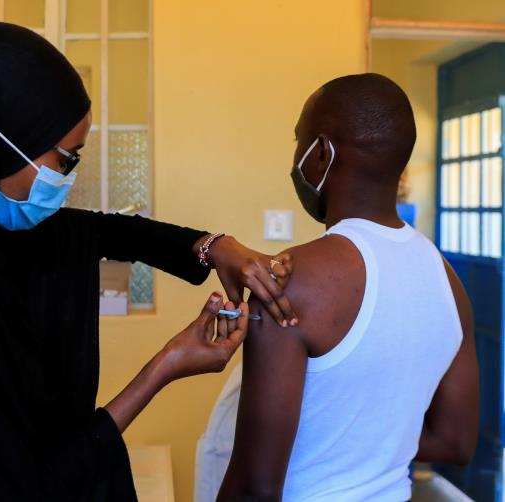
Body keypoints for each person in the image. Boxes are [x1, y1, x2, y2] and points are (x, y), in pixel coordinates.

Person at [0, 18, 296, 502]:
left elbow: (104, 231)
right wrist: (164, 367)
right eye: (64, 160)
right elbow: (23, 488)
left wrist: (214, 247)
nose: (65, 182)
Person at [196, 73, 479, 502]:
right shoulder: (448, 282)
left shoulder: (294, 278)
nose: (294, 159)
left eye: (299, 142)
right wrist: (373, 433)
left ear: (322, 153)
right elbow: (456, 441)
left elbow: (254, 489)